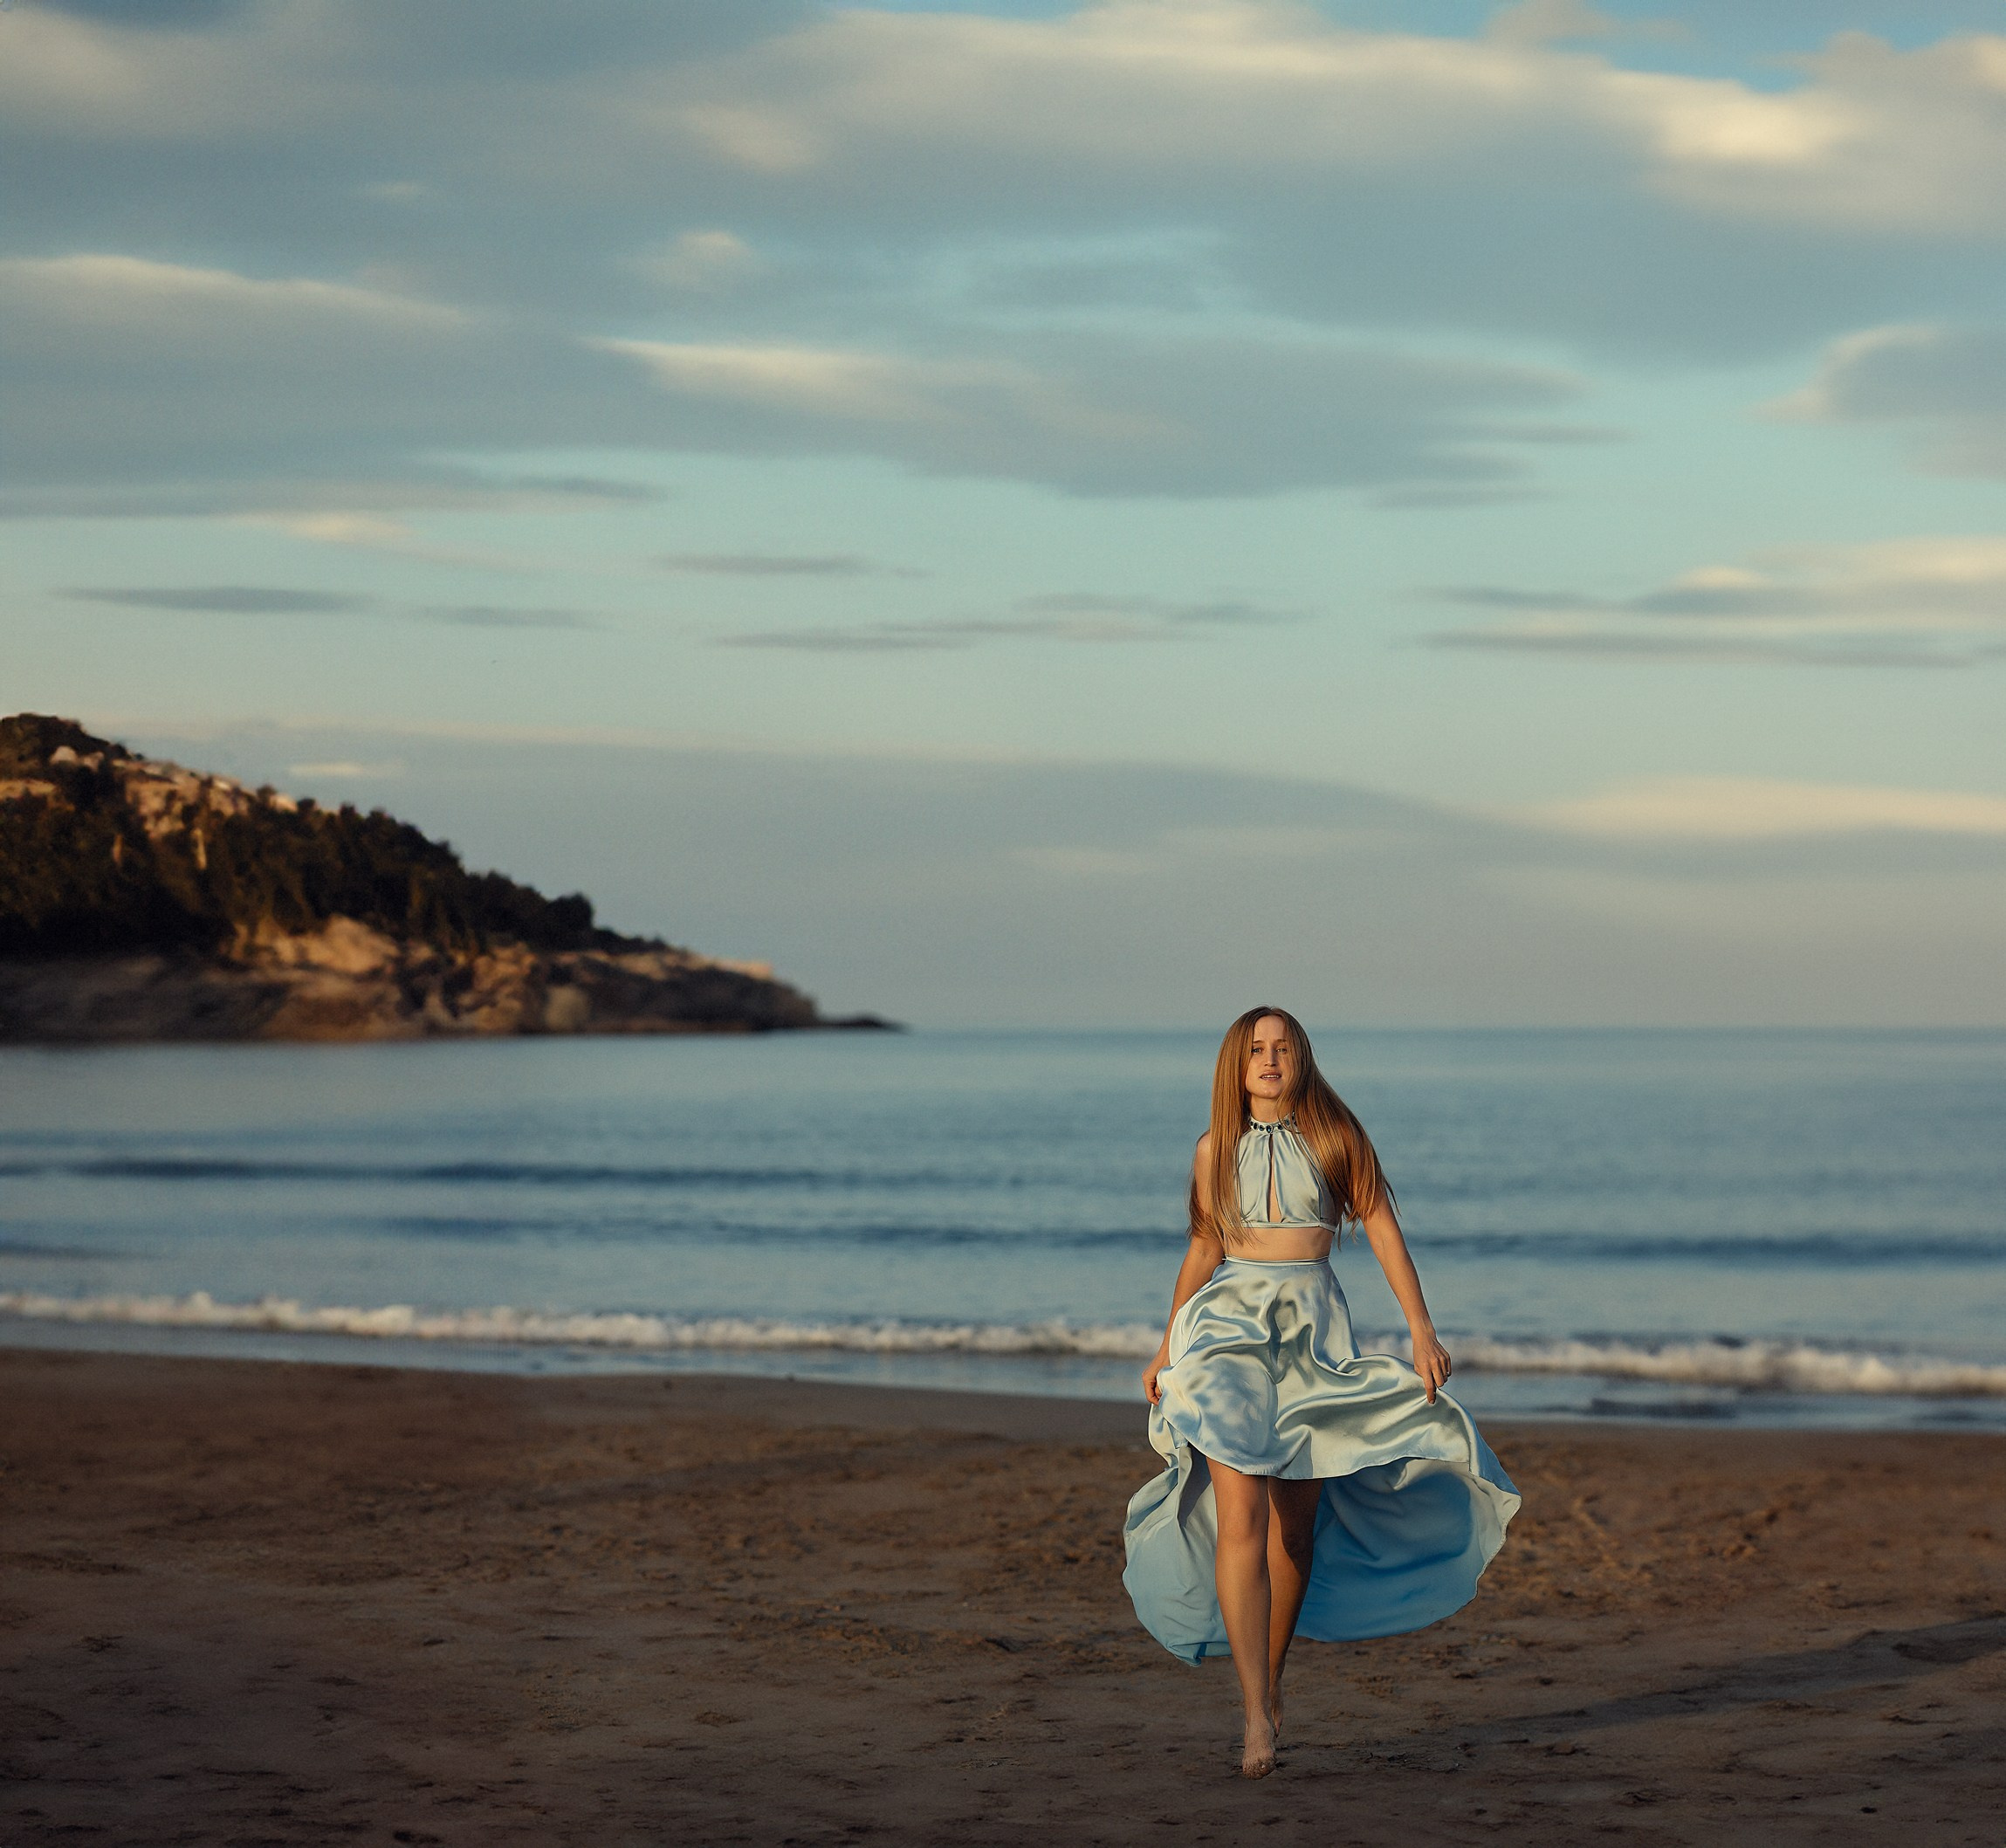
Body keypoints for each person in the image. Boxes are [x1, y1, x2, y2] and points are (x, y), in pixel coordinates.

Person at [1122, 1006, 1520, 1778]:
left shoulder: (1338, 1138)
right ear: (1237, 1066)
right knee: (1240, 1508)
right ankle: (1251, 1713)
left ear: (1302, 1059)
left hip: (1312, 1336)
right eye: (1257, 1050)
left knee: (1294, 1530)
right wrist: (1169, 1341)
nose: (1270, 1060)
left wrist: (1420, 1327)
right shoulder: (1214, 1149)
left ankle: (1270, 1686)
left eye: (1283, 1048)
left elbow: (1380, 1225)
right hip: (1225, 1331)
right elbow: (1204, 1247)